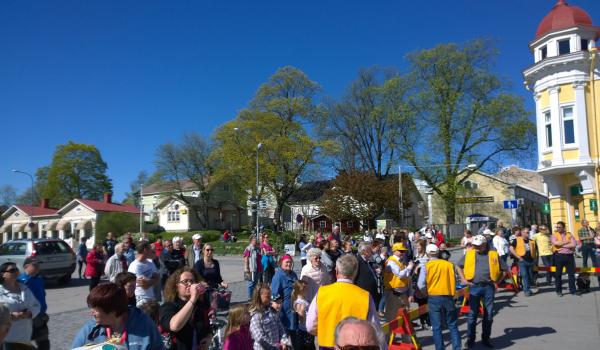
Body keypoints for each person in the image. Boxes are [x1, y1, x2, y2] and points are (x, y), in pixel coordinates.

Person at [306, 254, 380, 349]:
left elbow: (310, 325)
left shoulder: (322, 292)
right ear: (356, 272)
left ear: (336, 271)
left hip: (327, 345)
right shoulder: (365, 296)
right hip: (354, 346)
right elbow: (375, 328)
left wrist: (323, 331)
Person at [71, 283, 162, 349]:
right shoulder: (90, 329)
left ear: (113, 310)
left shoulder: (144, 324)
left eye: (96, 310)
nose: (92, 313)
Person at [457, 235, 508, 349]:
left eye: (478, 246)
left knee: (488, 315)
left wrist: (496, 282)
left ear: (485, 244)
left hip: (488, 287)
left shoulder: (493, 254)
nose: (476, 248)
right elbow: (458, 266)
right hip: (474, 286)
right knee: (472, 315)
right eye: (475, 246)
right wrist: (463, 279)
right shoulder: (469, 254)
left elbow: (505, 270)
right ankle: (471, 339)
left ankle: (486, 338)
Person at [417, 244, 460, 350]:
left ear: (427, 254)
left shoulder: (426, 266)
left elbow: (421, 284)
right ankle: (457, 348)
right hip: (448, 296)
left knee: (436, 328)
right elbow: (455, 280)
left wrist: (423, 293)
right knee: (452, 325)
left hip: (433, 297)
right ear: (438, 253)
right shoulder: (449, 265)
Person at [159, 267, 212, 350]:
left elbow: (207, 328)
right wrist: (193, 298)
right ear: (176, 286)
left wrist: (209, 338)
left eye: (192, 281)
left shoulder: (200, 305)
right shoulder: (169, 306)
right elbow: (174, 326)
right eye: (185, 281)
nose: (190, 284)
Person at [0, 262, 40, 349]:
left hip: (25, 336)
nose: (15, 272)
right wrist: (11, 316)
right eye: (12, 270)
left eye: (16, 269)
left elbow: (36, 305)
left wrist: (29, 313)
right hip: (7, 338)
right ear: (3, 274)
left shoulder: (24, 288)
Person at [17, 258, 49, 350]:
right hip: (28, 317)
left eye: (38, 265)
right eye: (35, 265)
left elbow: (42, 295)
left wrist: (43, 311)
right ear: (26, 267)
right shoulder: (20, 281)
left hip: (41, 316)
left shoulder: (39, 279)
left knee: (44, 343)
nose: (38, 267)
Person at [249, 283, 290, 350]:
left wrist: (284, 342)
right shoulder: (255, 315)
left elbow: (281, 328)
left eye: (270, 296)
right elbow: (260, 337)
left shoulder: (272, 311)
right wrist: (275, 346)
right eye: (267, 297)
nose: (270, 299)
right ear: (259, 297)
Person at [270, 255, 298, 346]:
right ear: (281, 263)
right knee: (284, 336)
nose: (289, 264)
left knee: (294, 335)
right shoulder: (278, 276)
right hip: (283, 312)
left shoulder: (293, 274)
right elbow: (274, 294)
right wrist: (278, 309)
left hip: (293, 309)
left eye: (290, 262)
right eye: (287, 262)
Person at [383, 243, 414, 323]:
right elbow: (400, 274)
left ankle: (405, 334)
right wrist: (409, 267)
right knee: (392, 317)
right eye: (401, 251)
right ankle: (389, 335)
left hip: (402, 292)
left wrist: (410, 293)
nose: (403, 253)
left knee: (405, 315)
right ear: (394, 251)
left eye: (403, 251)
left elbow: (406, 276)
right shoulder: (391, 261)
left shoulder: (400, 260)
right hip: (393, 293)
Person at [551, 221, 579, 296]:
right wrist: (567, 242)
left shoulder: (569, 234)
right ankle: (559, 291)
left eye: (559, 227)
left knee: (571, 274)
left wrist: (562, 245)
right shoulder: (554, 235)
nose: (558, 228)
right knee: (558, 274)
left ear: (563, 227)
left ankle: (573, 290)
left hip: (569, 256)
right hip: (559, 256)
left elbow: (574, 244)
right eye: (557, 227)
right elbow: (555, 243)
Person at [509, 227, 537, 296]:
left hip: (530, 260)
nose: (528, 234)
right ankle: (526, 291)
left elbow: (535, 250)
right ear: (522, 233)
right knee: (525, 275)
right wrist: (518, 257)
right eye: (527, 232)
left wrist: (535, 259)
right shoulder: (516, 240)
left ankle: (528, 288)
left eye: (528, 232)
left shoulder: (532, 241)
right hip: (522, 261)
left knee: (530, 276)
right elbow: (511, 248)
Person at [354, 241, 381, 313]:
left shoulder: (367, 260)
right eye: (370, 250)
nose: (372, 252)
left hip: (370, 294)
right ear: (364, 251)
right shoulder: (357, 261)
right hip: (363, 295)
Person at [292, 280, 314, 350]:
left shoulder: (303, 301)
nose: (308, 291)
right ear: (302, 290)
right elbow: (301, 319)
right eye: (306, 289)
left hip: (306, 330)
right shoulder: (300, 303)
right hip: (304, 330)